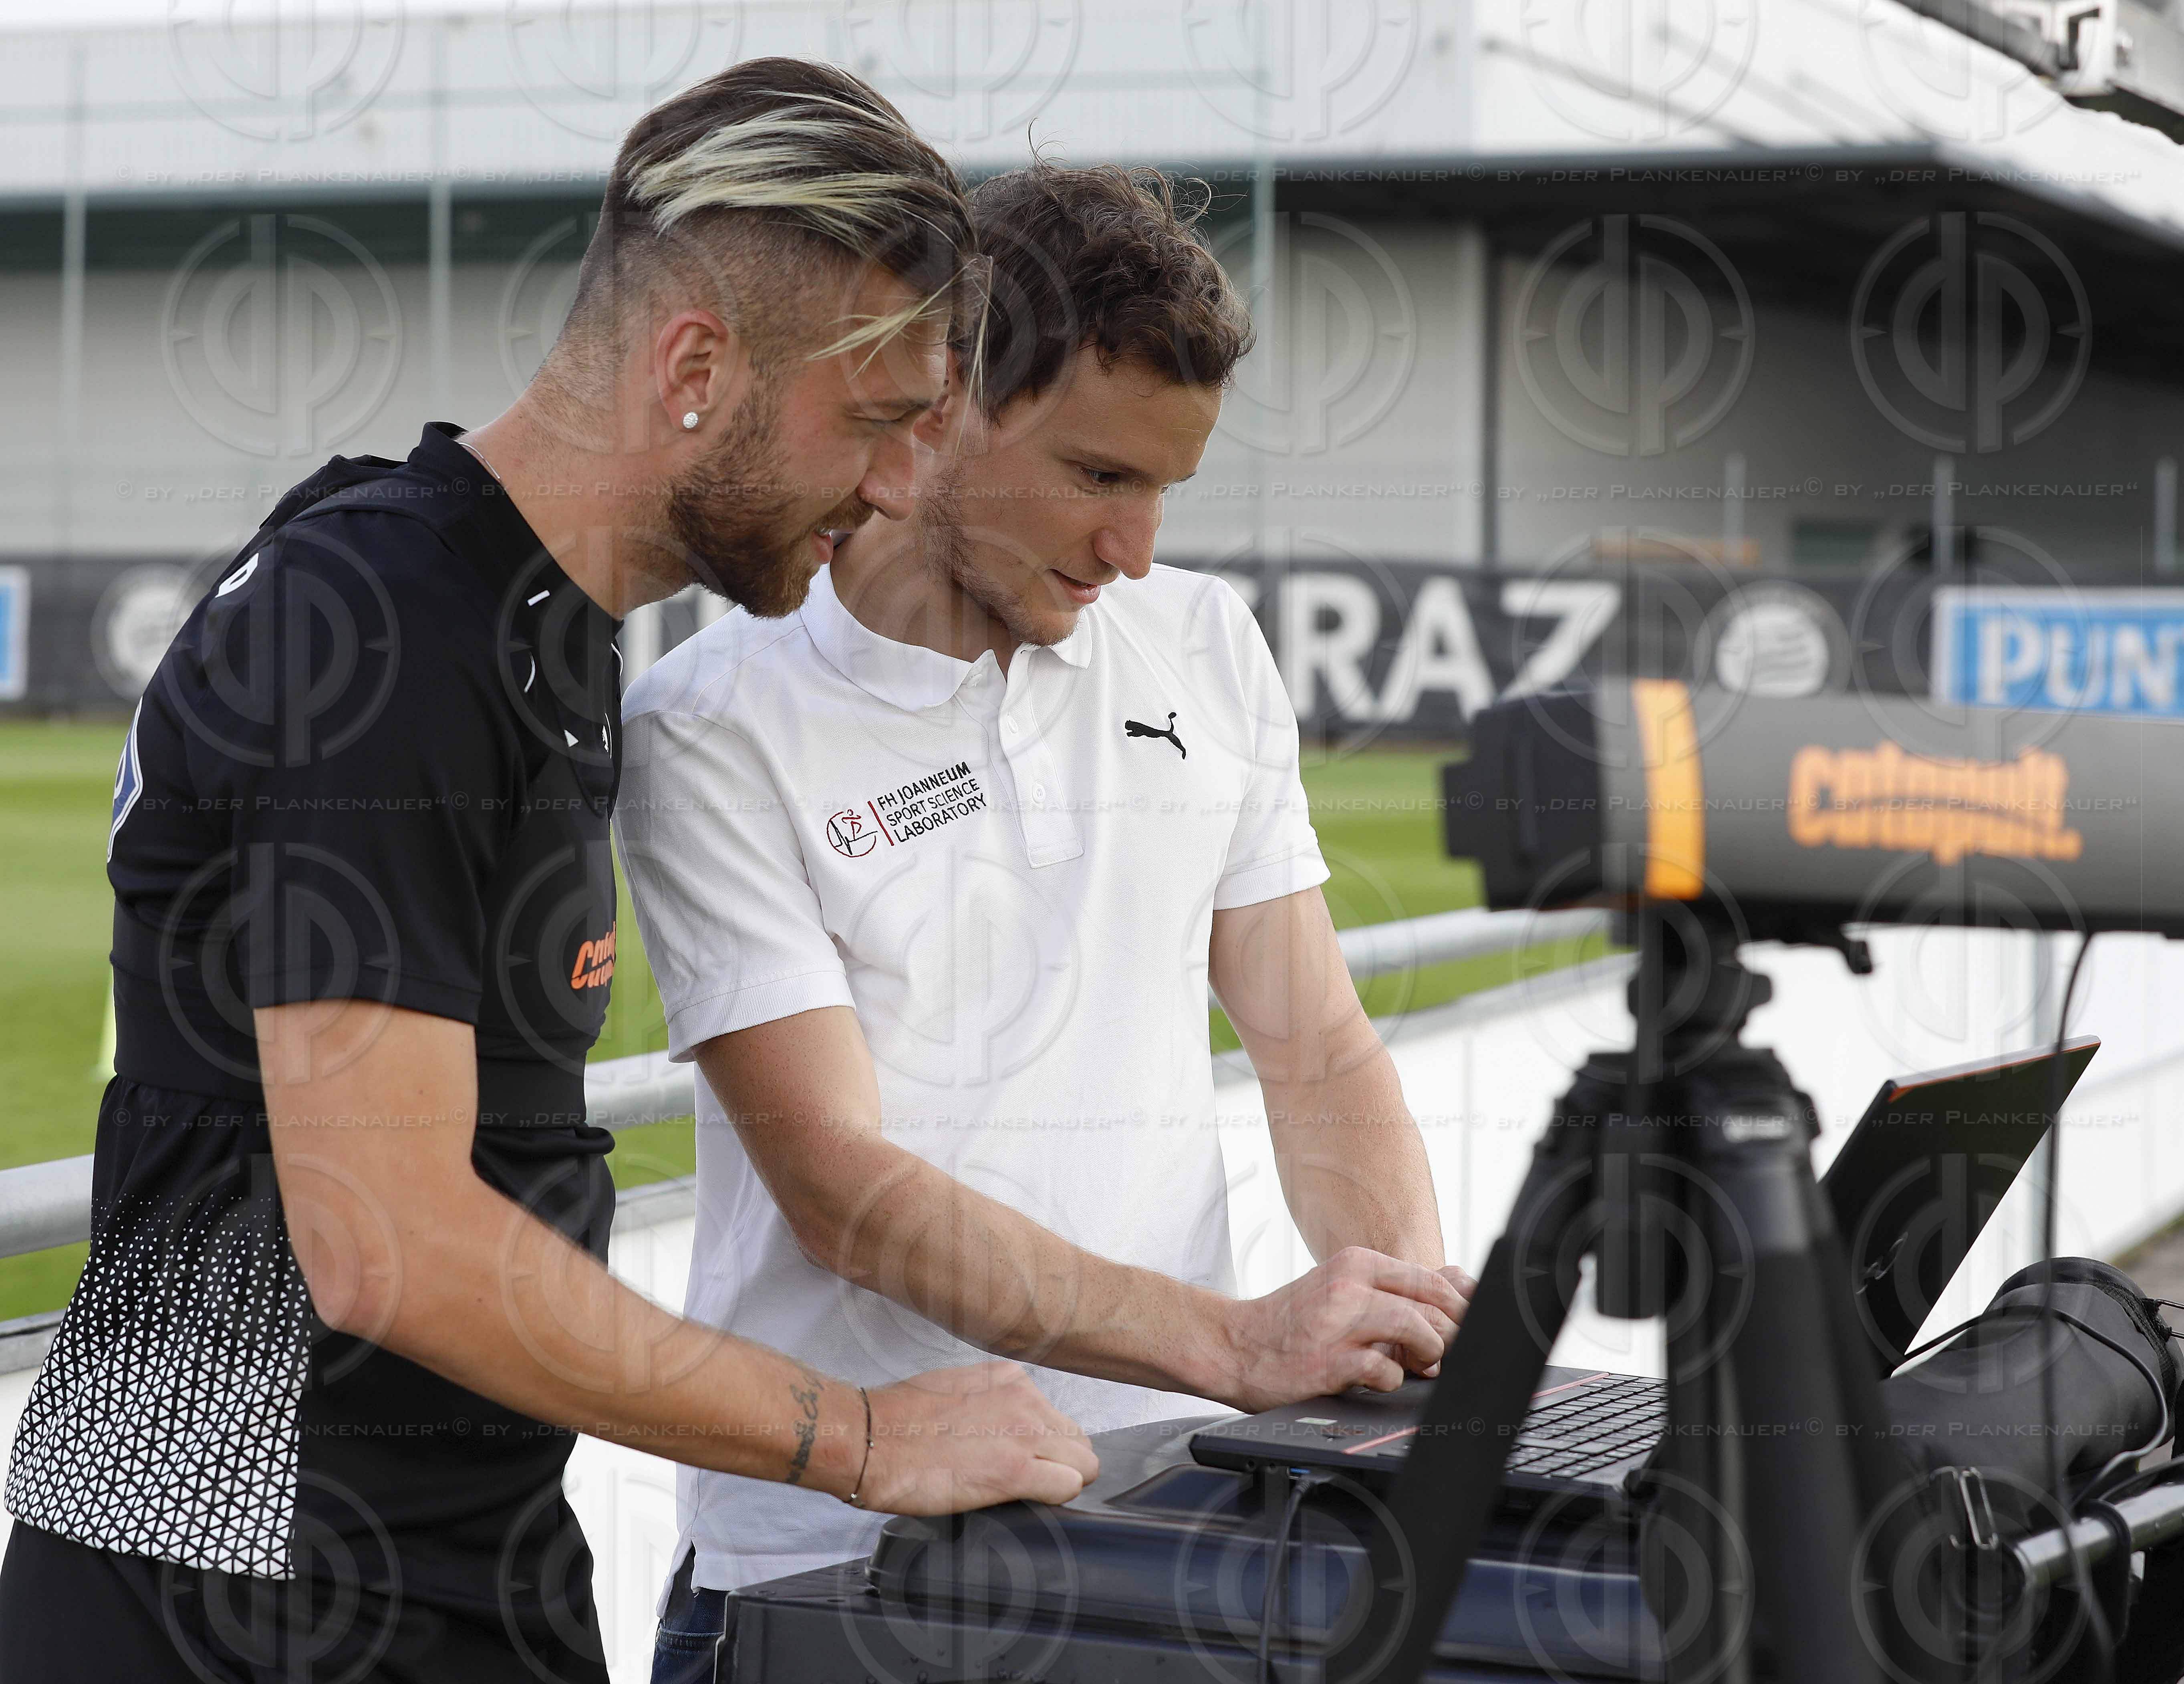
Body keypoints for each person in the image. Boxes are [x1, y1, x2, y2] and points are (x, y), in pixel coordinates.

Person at [0, 60, 1096, 1684]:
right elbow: (392, 1240)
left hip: (452, 1569)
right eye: (872, 423)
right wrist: (860, 1435)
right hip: (217, 1589)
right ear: (697, 367)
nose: (892, 486)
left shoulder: (521, 621)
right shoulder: (375, 619)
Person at [615, 163, 1476, 1677]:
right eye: (1097, 476)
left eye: (1164, 491)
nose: (1134, 547)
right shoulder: (710, 724)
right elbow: (845, 1195)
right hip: (836, 1562)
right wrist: (1234, 1342)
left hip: (1167, 1523)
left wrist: (1398, 1332)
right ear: (939, 405)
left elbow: (1314, 1042)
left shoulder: (1202, 639)